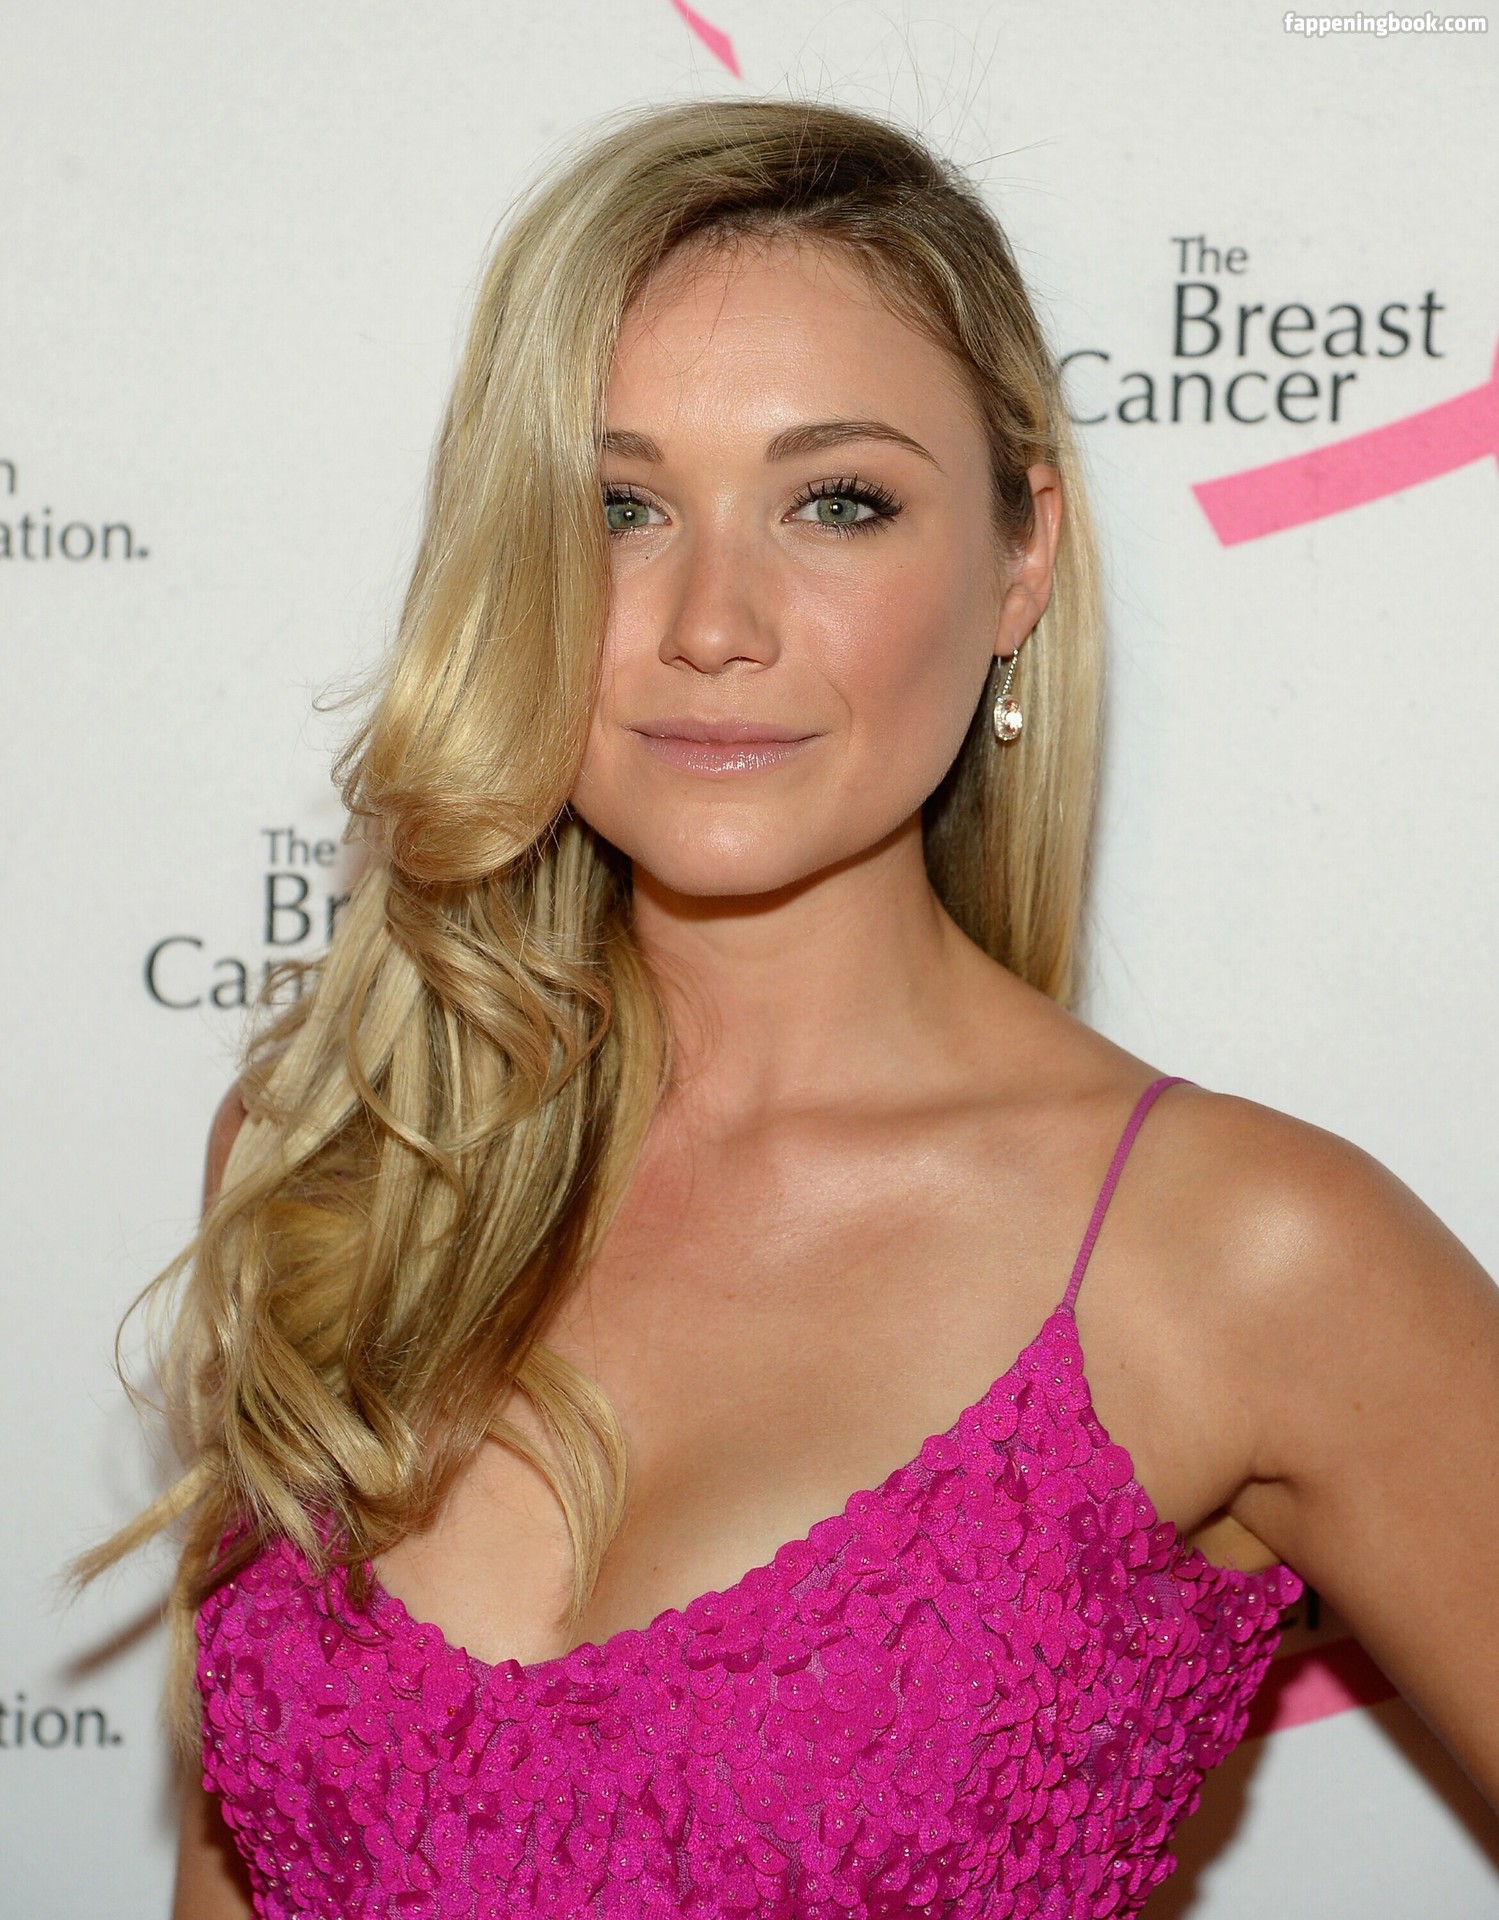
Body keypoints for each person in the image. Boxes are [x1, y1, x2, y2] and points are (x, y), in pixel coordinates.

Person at [89, 96, 1497, 1919]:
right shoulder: (343, 1167)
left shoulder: (1243, 1259)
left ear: (1021, 559)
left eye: (838, 503)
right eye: (619, 507)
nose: (712, 622)